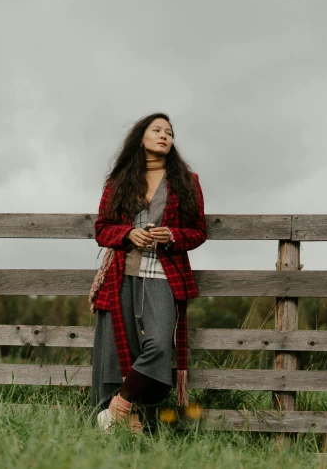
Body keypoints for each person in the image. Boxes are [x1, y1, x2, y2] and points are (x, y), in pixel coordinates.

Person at [90, 112, 206, 433]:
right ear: (141, 137)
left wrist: (172, 236)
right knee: (122, 349)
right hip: (121, 275)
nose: (164, 136)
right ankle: (131, 423)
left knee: (158, 345)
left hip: (164, 275)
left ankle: (118, 409)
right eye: (156, 130)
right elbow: (102, 229)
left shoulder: (187, 180)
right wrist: (127, 234)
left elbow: (198, 231)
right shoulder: (119, 180)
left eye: (169, 132)